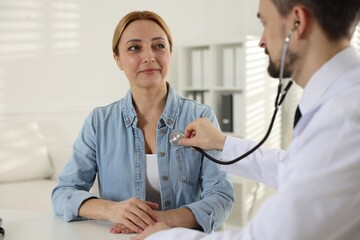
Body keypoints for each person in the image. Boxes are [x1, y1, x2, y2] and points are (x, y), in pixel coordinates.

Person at [133, 0, 360, 239]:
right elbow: (292, 168)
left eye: (264, 22)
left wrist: (159, 236)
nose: (261, 40)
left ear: (298, 22)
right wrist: (221, 142)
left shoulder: (344, 120)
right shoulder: (341, 103)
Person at [51, 10, 234, 235]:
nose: (149, 57)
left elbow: (221, 196)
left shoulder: (201, 117)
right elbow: (63, 193)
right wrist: (111, 210)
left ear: (170, 52)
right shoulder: (99, 123)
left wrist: (165, 220)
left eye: (158, 46)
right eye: (134, 48)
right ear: (117, 59)